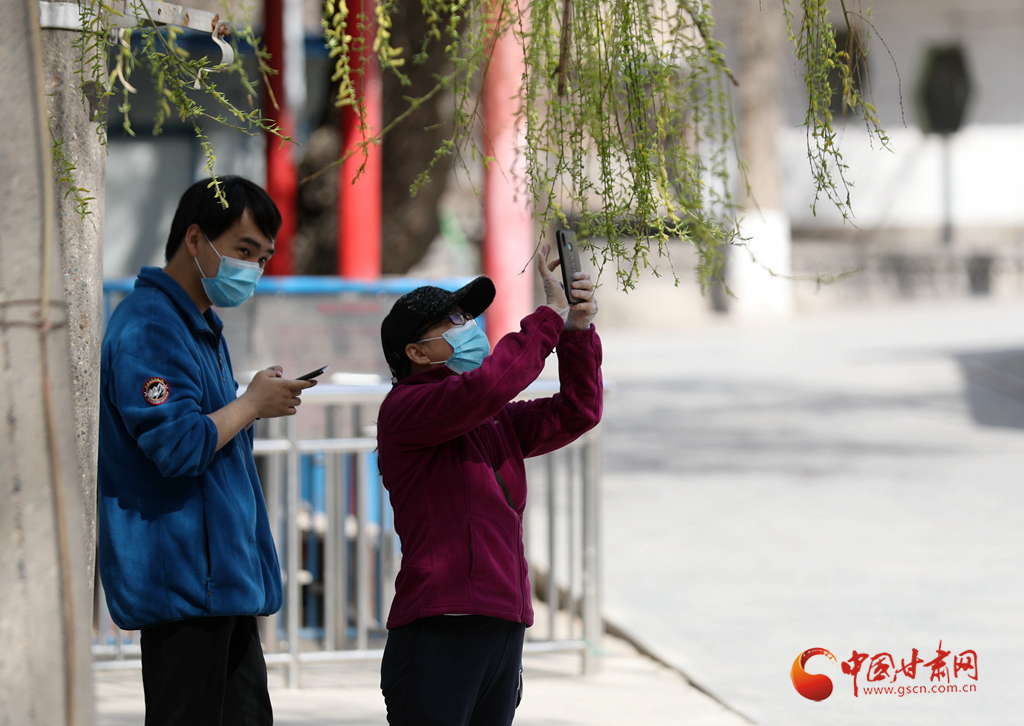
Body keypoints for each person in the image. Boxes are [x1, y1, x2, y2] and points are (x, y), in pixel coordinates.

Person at [97, 176, 316, 726]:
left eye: (262, 259)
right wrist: (251, 405)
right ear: (195, 238)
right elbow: (177, 446)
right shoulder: (150, 324)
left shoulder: (198, 325)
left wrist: (250, 403)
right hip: (185, 587)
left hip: (222, 586)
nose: (253, 269)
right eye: (243, 250)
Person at [376, 243, 603, 725]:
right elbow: (490, 386)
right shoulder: (405, 409)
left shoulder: (490, 419)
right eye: (452, 321)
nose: (470, 327)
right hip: (441, 627)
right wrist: (548, 317)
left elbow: (577, 411)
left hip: (502, 626)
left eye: (468, 317)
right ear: (417, 352)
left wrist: (577, 331)